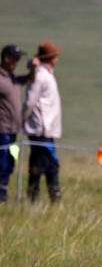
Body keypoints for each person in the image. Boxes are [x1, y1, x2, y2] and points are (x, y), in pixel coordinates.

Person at [22, 41, 62, 204]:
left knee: (50, 164)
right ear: (51, 58)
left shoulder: (45, 74)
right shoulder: (39, 75)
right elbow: (30, 101)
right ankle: (34, 197)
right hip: (40, 128)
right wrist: (22, 119)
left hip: (47, 129)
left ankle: (52, 197)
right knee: (39, 165)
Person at [0, 45, 32, 203]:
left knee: (10, 163)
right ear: (7, 58)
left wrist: (34, 67)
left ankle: (3, 194)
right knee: (1, 162)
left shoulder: (14, 78)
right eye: (15, 58)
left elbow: (30, 79)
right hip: (2, 131)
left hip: (13, 131)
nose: (18, 62)